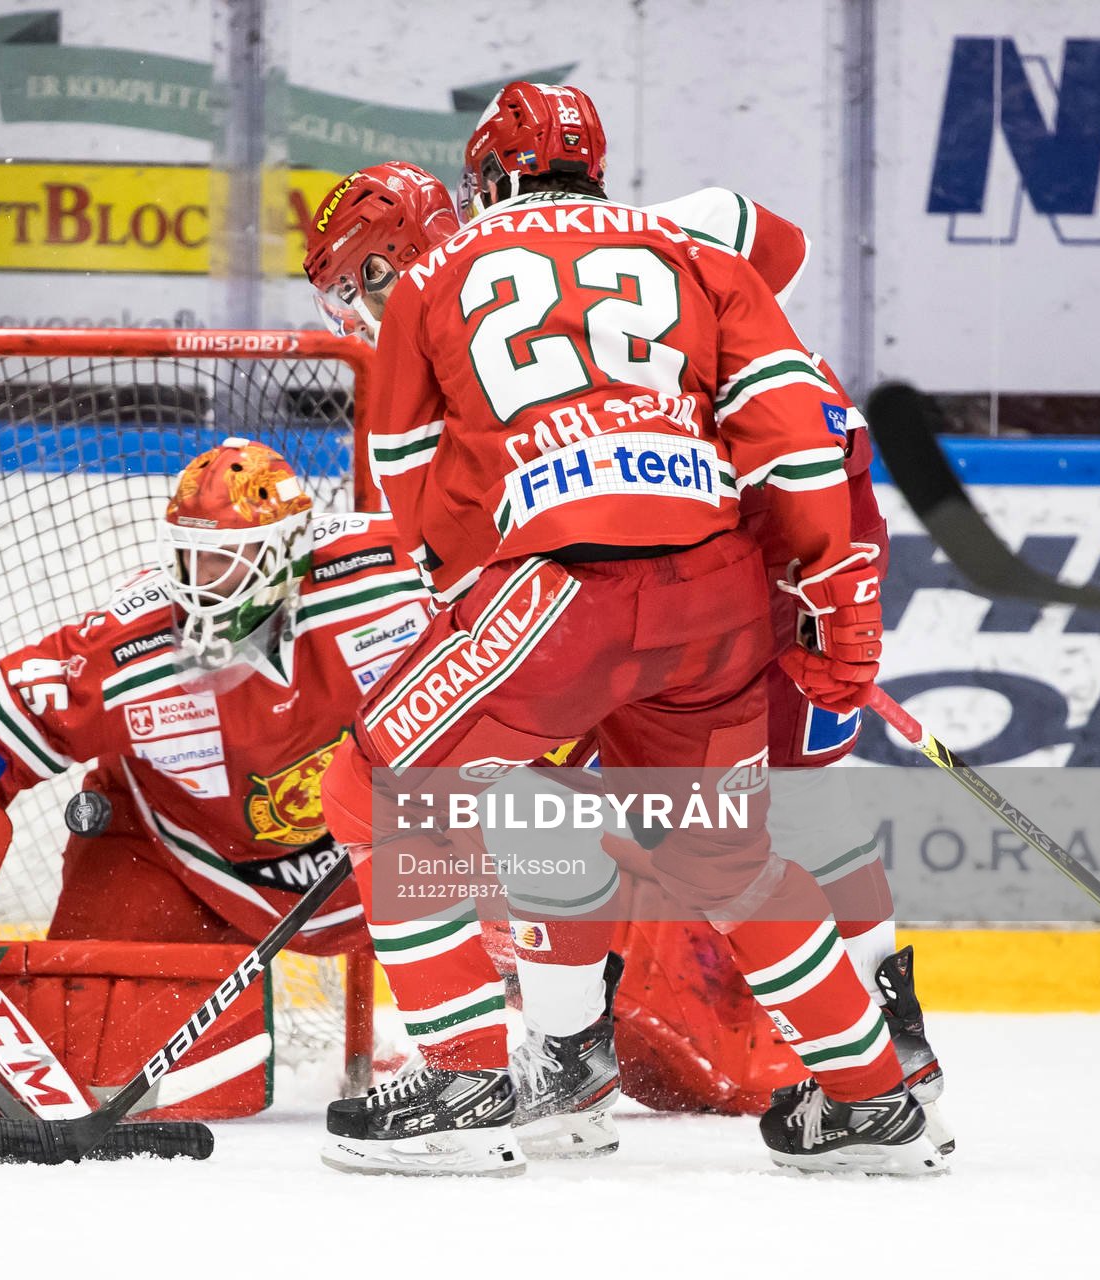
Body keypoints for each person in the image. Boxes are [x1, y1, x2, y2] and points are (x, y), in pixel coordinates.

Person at [314, 81, 944, 1176]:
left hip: (563, 590)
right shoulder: (696, 247)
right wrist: (834, 594)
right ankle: (875, 1101)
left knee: (374, 790)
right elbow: (800, 436)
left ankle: (465, 1080)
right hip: (725, 589)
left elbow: (413, 481)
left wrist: (467, 595)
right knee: (729, 857)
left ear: (487, 177)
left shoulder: (433, 276)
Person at [0, 439, 433, 1094]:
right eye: (191, 554)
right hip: (180, 863)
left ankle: (520, 1046)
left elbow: (526, 636)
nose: (200, 578)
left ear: (287, 549)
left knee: (538, 834)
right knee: (86, 1056)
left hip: (378, 850)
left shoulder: (395, 577)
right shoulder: (133, 647)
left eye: (224, 557)